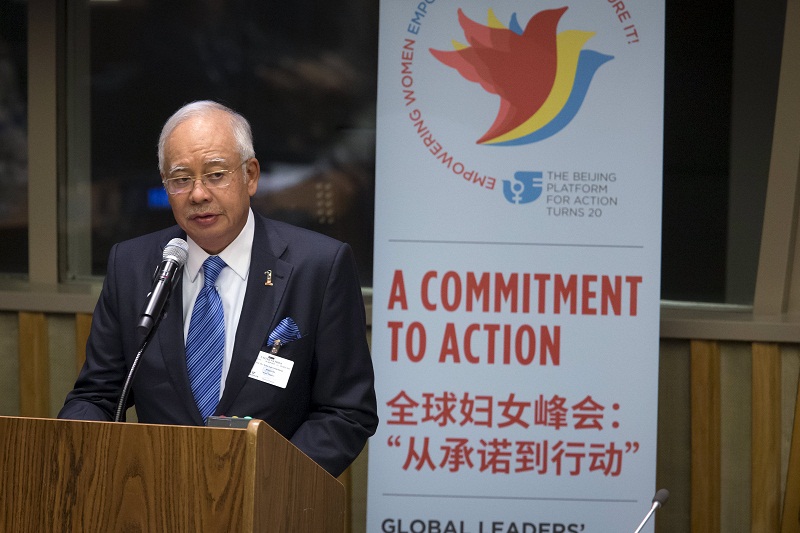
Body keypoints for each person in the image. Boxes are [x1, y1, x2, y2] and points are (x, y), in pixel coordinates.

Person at [59, 100, 378, 477]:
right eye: (181, 179)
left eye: (215, 174)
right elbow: (97, 395)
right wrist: (75, 455)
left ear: (251, 175)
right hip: (154, 500)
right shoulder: (132, 266)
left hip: (270, 501)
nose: (198, 194)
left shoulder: (318, 266)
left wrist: (273, 480)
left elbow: (346, 411)